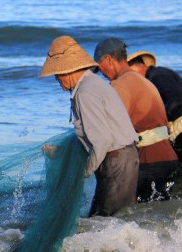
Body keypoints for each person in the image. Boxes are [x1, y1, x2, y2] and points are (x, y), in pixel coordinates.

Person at [40, 36, 139, 217]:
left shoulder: (85, 92)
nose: (56, 79)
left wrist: (84, 171)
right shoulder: (91, 84)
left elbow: (102, 140)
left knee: (108, 222)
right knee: (110, 219)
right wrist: (61, 151)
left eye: (57, 74)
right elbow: (91, 135)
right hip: (121, 158)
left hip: (116, 160)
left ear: (67, 70)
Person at [94, 38, 178, 203]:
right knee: (159, 216)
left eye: (100, 67)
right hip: (168, 158)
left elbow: (111, 127)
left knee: (134, 217)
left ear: (109, 60)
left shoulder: (120, 85)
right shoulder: (143, 81)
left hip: (149, 161)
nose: (102, 74)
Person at [127, 51, 182, 178]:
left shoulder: (155, 77)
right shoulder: (162, 73)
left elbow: (176, 101)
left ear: (134, 68)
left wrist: (159, 121)